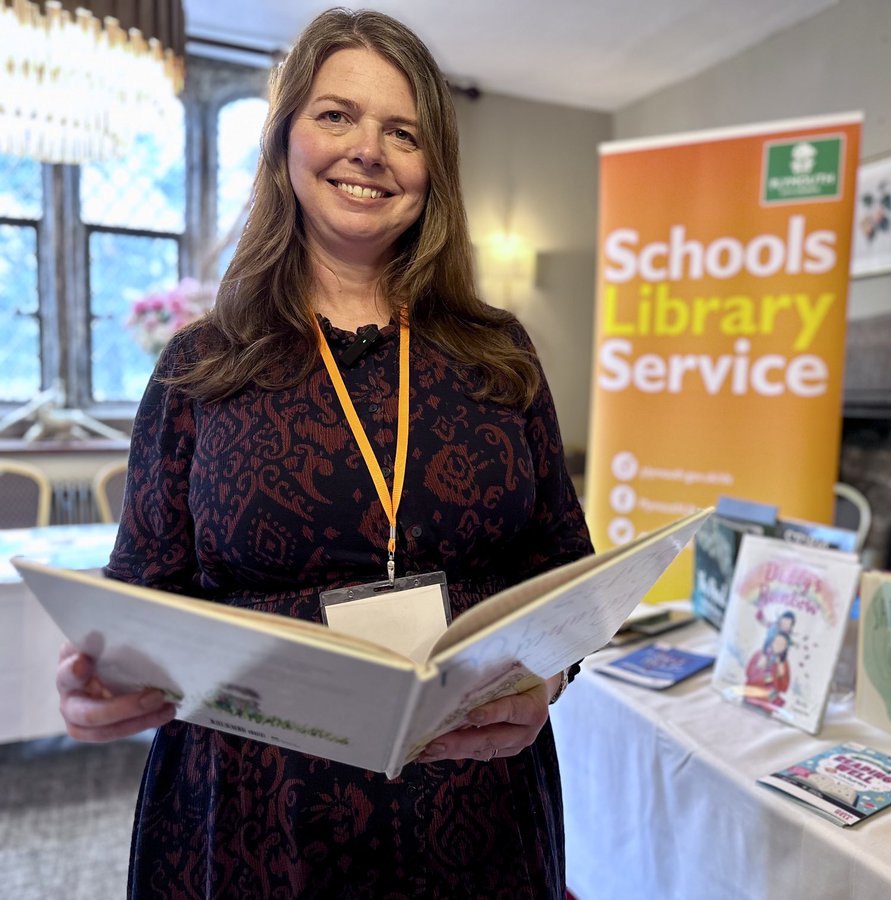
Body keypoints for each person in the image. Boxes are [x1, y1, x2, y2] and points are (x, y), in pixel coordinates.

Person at [54, 7, 592, 897]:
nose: (367, 151)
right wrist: (101, 676)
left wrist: (552, 676)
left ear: (435, 170)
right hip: (255, 816)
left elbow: (561, 571)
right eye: (336, 115)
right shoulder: (200, 363)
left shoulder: (500, 351)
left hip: (476, 804)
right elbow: (145, 593)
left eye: (403, 131)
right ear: (285, 141)